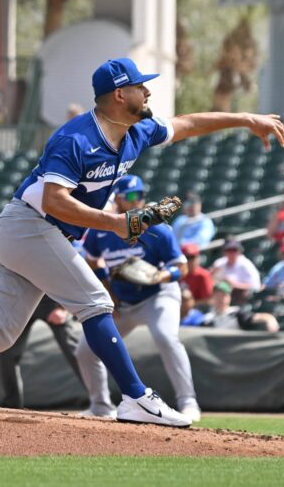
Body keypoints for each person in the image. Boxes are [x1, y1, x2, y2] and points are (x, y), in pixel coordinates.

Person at [0, 56, 284, 428]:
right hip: (30, 224)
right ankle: (136, 398)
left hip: (33, 233)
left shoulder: (136, 131)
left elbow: (187, 124)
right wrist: (116, 224)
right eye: (140, 87)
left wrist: (246, 119)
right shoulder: (76, 138)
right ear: (118, 95)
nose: (148, 93)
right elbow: (54, 200)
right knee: (95, 302)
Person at [75, 175, 201, 421]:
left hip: (158, 296)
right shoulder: (101, 231)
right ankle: (100, 406)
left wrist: (160, 277)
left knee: (165, 336)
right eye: (131, 196)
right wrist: (108, 290)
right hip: (123, 303)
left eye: (140, 195)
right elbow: (91, 260)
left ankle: (188, 402)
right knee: (85, 349)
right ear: (118, 200)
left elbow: (181, 268)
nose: (137, 200)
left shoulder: (156, 229)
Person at [0, 294, 83, 410]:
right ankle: (12, 405)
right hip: (21, 299)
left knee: (75, 350)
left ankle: (102, 401)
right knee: (6, 349)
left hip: (51, 299)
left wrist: (63, 308)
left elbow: (69, 275)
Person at [203, 281, 279, 332]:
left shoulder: (236, 314)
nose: (220, 299)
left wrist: (270, 319)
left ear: (229, 297)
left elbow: (256, 317)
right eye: (217, 296)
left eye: (223, 295)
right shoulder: (207, 317)